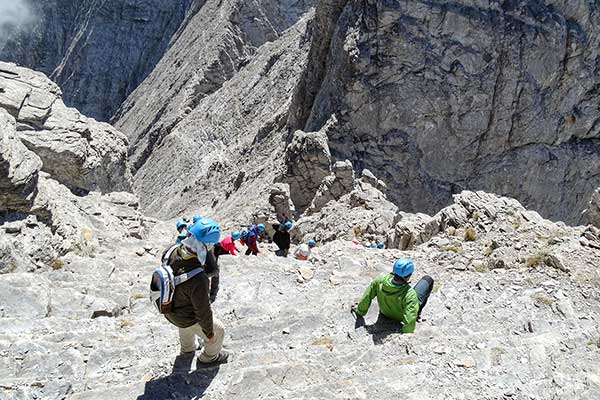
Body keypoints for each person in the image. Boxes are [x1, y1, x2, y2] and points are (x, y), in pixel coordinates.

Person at [160, 218, 229, 364]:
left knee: (185, 316)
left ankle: (188, 349)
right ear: (207, 245)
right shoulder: (198, 277)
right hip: (186, 316)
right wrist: (209, 334)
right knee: (219, 330)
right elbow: (203, 310)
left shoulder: (171, 251)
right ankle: (209, 357)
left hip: (170, 308)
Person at [352, 258, 434, 334]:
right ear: (408, 276)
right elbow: (410, 320)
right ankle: (418, 313)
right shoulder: (410, 294)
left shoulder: (380, 280)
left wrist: (360, 311)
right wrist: (407, 334)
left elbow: (367, 297)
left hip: (385, 313)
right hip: (400, 317)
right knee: (428, 279)